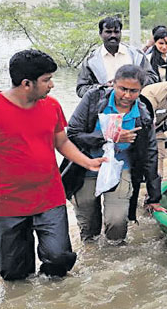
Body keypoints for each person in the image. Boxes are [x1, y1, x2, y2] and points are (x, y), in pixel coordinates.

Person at [0, 50, 104, 281]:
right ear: (26, 84)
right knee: (15, 276)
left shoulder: (51, 106)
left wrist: (88, 162)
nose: (52, 85)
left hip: (50, 198)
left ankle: (53, 308)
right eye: (46, 80)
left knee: (59, 259)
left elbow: (61, 141)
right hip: (10, 205)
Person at [66, 65, 162, 243]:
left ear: (141, 90)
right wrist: (109, 136)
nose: (127, 95)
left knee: (116, 222)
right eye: (122, 89)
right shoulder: (94, 99)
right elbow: (72, 133)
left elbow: (150, 153)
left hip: (121, 168)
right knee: (88, 227)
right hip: (87, 167)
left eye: (133, 91)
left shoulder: (142, 113)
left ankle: (114, 252)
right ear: (113, 84)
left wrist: (154, 196)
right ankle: (92, 256)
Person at [76, 16, 158, 97]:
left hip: (135, 104)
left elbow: (153, 78)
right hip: (103, 107)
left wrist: (133, 82)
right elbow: (81, 89)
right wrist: (102, 88)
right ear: (100, 33)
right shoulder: (91, 61)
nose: (113, 35)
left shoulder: (136, 55)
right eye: (108, 32)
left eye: (116, 32)